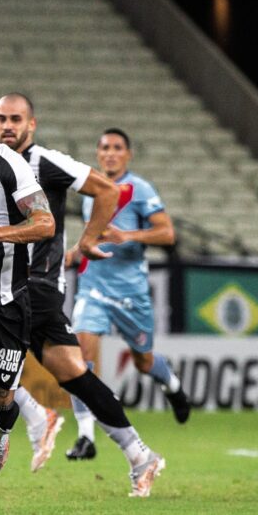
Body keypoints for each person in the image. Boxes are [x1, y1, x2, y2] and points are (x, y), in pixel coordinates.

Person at [0, 94, 168, 496]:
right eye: (1, 119)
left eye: (16, 119)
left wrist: (87, 240)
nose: (8, 126)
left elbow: (108, 192)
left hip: (35, 285)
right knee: (74, 373)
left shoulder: (47, 162)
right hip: (4, 285)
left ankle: (38, 416)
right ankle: (140, 456)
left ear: (32, 125)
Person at [65, 128, 190, 461]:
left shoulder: (139, 189)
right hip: (93, 285)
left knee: (143, 360)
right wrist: (75, 250)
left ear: (128, 154)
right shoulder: (91, 190)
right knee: (79, 358)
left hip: (130, 291)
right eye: (104, 147)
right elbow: (94, 234)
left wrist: (128, 236)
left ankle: (172, 386)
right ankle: (85, 436)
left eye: (117, 148)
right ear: (97, 152)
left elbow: (167, 233)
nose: (110, 153)